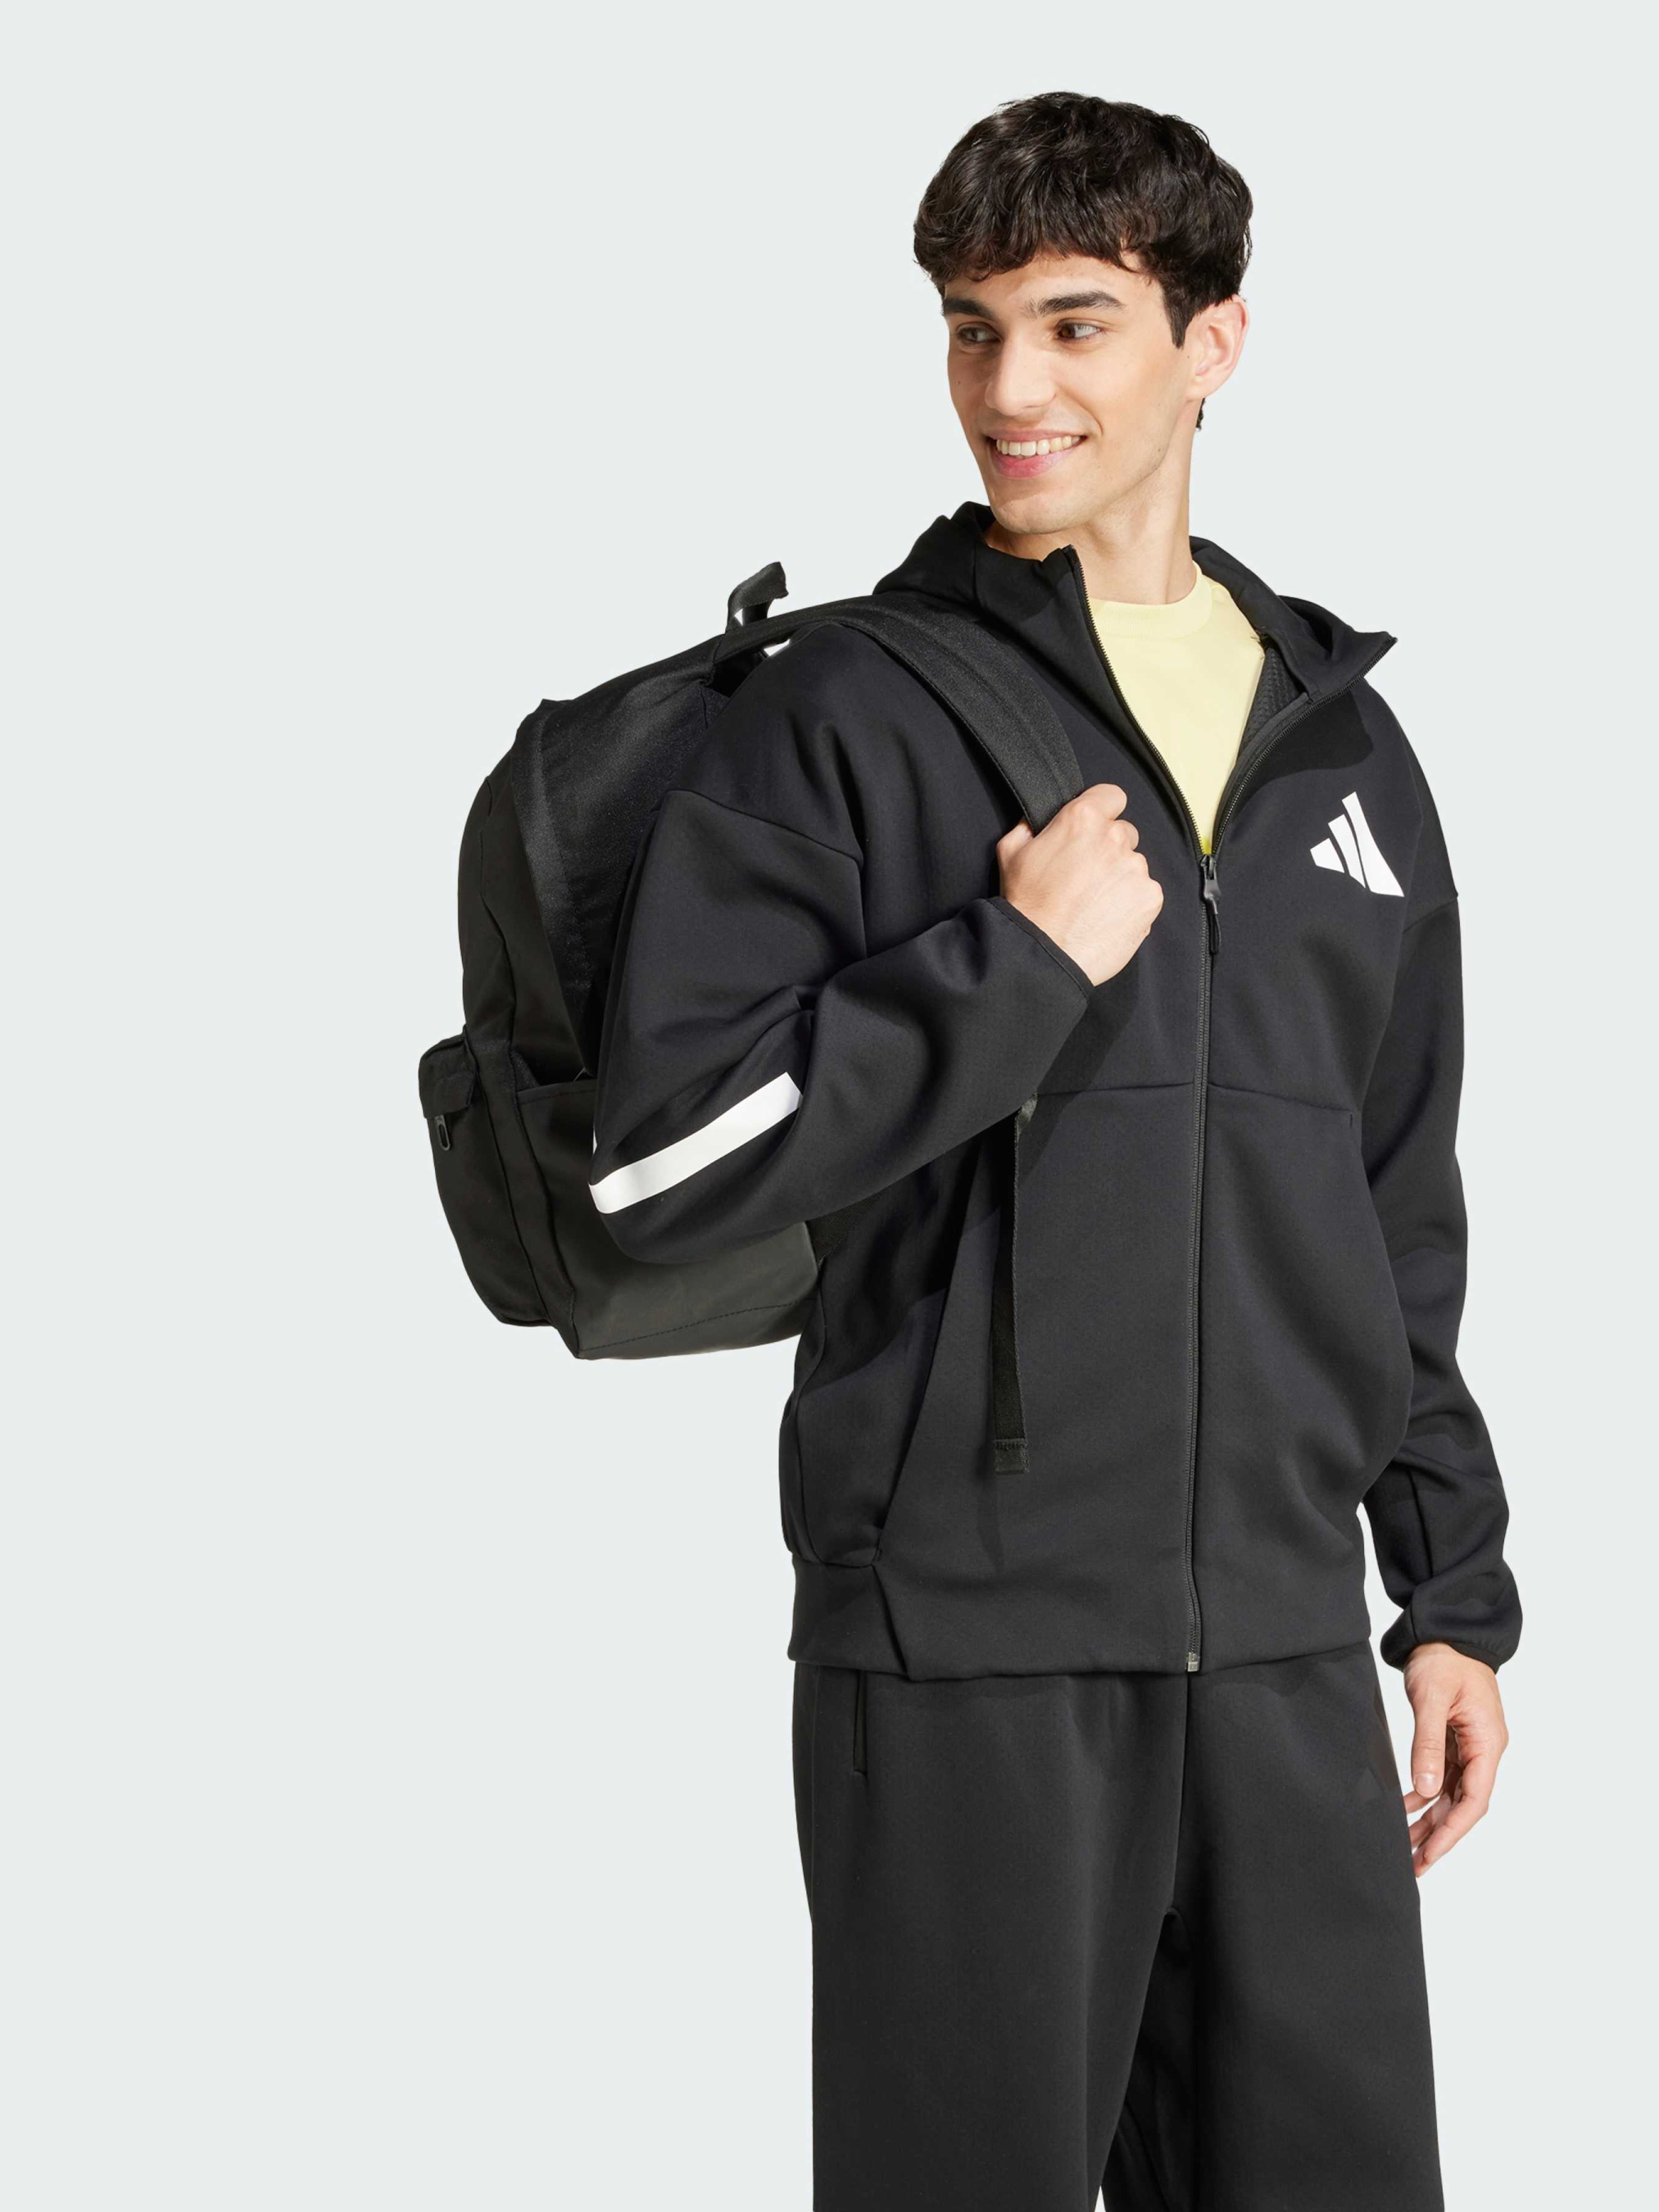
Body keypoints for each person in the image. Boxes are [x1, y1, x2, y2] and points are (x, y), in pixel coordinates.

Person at [587, 91, 1520, 2211]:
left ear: (1212, 342)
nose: (1012, 388)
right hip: (962, 1650)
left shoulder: (1341, 745)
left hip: (1282, 1653)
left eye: (1077, 322)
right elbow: (655, 1170)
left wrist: (1446, 1587)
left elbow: (1389, 1207)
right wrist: (1002, 975)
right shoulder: (843, 714)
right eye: (972, 326)